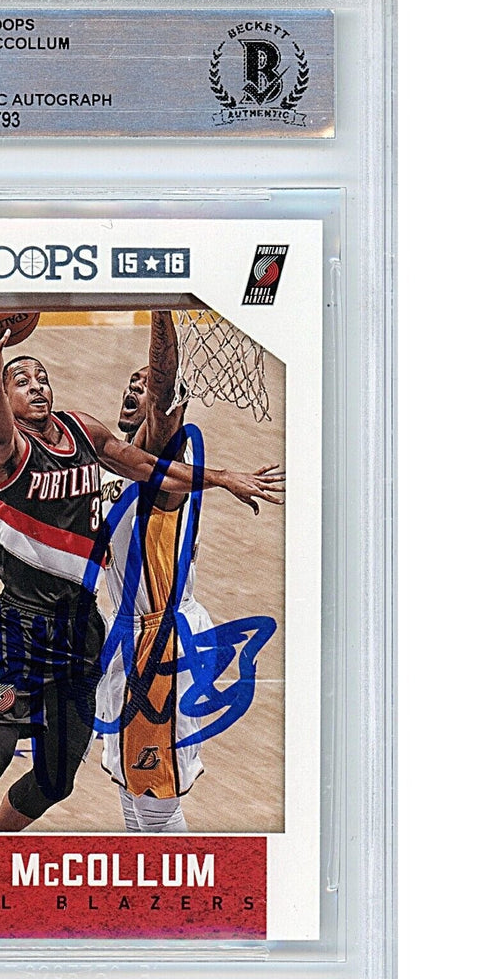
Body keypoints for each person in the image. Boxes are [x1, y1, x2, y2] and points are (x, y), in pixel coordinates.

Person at [0, 317, 282, 833]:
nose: (134, 390)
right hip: (59, 631)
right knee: (95, 776)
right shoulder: (39, 451)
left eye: (42, 378)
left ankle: (163, 887)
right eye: (23, 381)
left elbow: (156, 419)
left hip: (150, 639)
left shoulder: (140, 446)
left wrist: (161, 307)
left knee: (120, 789)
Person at [96, 311, 284, 832]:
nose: (137, 387)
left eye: (145, 383)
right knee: (131, 786)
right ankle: (144, 883)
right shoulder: (121, 465)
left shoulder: (161, 462)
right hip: (130, 632)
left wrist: (161, 306)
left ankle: (176, 886)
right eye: (130, 382)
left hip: (161, 639)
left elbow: (164, 385)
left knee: (155, 800)